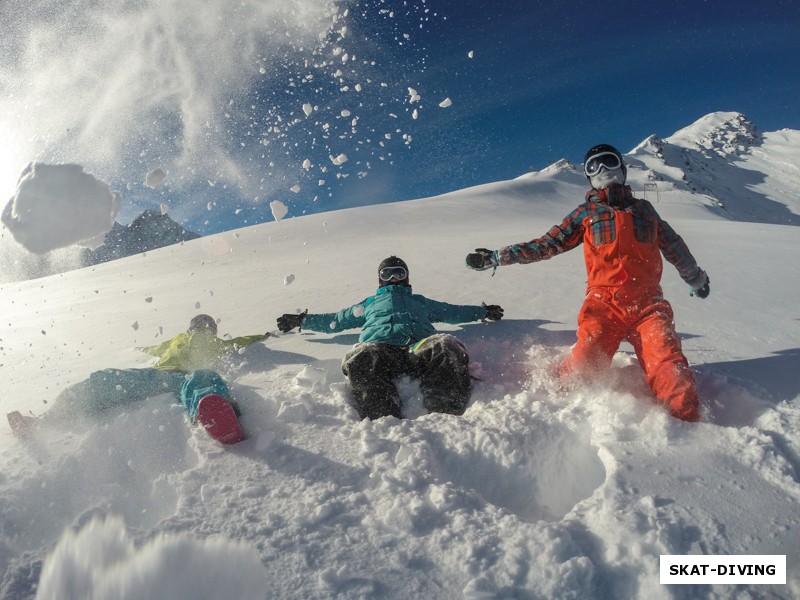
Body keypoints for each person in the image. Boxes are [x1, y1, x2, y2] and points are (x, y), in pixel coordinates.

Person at [466, 144, 710, 422]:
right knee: (584, 367)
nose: (603, 170)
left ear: (622, 169)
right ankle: (556, 404)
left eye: (608, 162)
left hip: (649, 307)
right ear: (588, 177)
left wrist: (697, 278)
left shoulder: (645, 211)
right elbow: (548, 243)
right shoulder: (587, 213)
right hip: (604, 306)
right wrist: (497, 257)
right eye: (594, 166)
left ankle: (687, 428)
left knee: (670, 368)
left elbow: (675, 248)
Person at [276, 256, 504, 420]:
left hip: (419, 349)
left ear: (406, 277)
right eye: (388, 274)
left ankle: (446, 415)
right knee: (362, 355)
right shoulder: (368, 304)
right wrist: (301, 320)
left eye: (399, 273)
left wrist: (482, 312)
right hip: (381, 350)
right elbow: (335, 320)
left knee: (445, 345)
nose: (394, 278)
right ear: (380, 279)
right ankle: (382, 419)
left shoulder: (420, 302)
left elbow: (453, 312)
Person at [6, 314, 269, 444]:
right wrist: (140, 349)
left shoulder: (216, 343)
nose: (202, 328)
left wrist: (266, 334)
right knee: (105, 380)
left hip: (185, 377)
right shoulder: (176, 340)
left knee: (204, 378)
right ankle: (43, 422)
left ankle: (218, 418)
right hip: (158, 376)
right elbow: (151, 349)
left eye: (207, 326)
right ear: (191, 327)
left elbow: (241, 341)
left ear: (212, 329)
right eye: (199, 325)